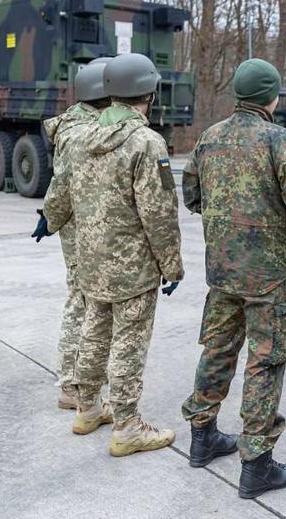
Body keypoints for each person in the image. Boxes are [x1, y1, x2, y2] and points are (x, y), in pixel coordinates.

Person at [180, 58, 286, 499]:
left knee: (218, 347)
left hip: (222, 269)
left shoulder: (209, 138)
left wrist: (229, 224)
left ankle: (202, 438)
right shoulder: (279, 141)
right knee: (266, 358)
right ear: (272, 97)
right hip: (268, 274)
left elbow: (191, 195)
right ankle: (256, 463)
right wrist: (276, 227)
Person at [43, 53, 184, 457]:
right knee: (128, 342)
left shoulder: (80, 137)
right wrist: (172, 265)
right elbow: (158, 214)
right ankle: (126, 427)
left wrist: (50, 219)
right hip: (132, 267)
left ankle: (87, 408)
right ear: (148, 93)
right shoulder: (145, 142)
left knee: (94, 331)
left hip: (91, 259)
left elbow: (61, 189)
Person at [34, 57, 111, 410]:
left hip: (86, 227)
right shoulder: (82, 130)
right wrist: (50, 216)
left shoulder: (83, 123)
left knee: (84, 299)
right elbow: (63, 185)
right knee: (82, 301)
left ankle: (77, 381)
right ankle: (70, 383)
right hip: (84, 231)